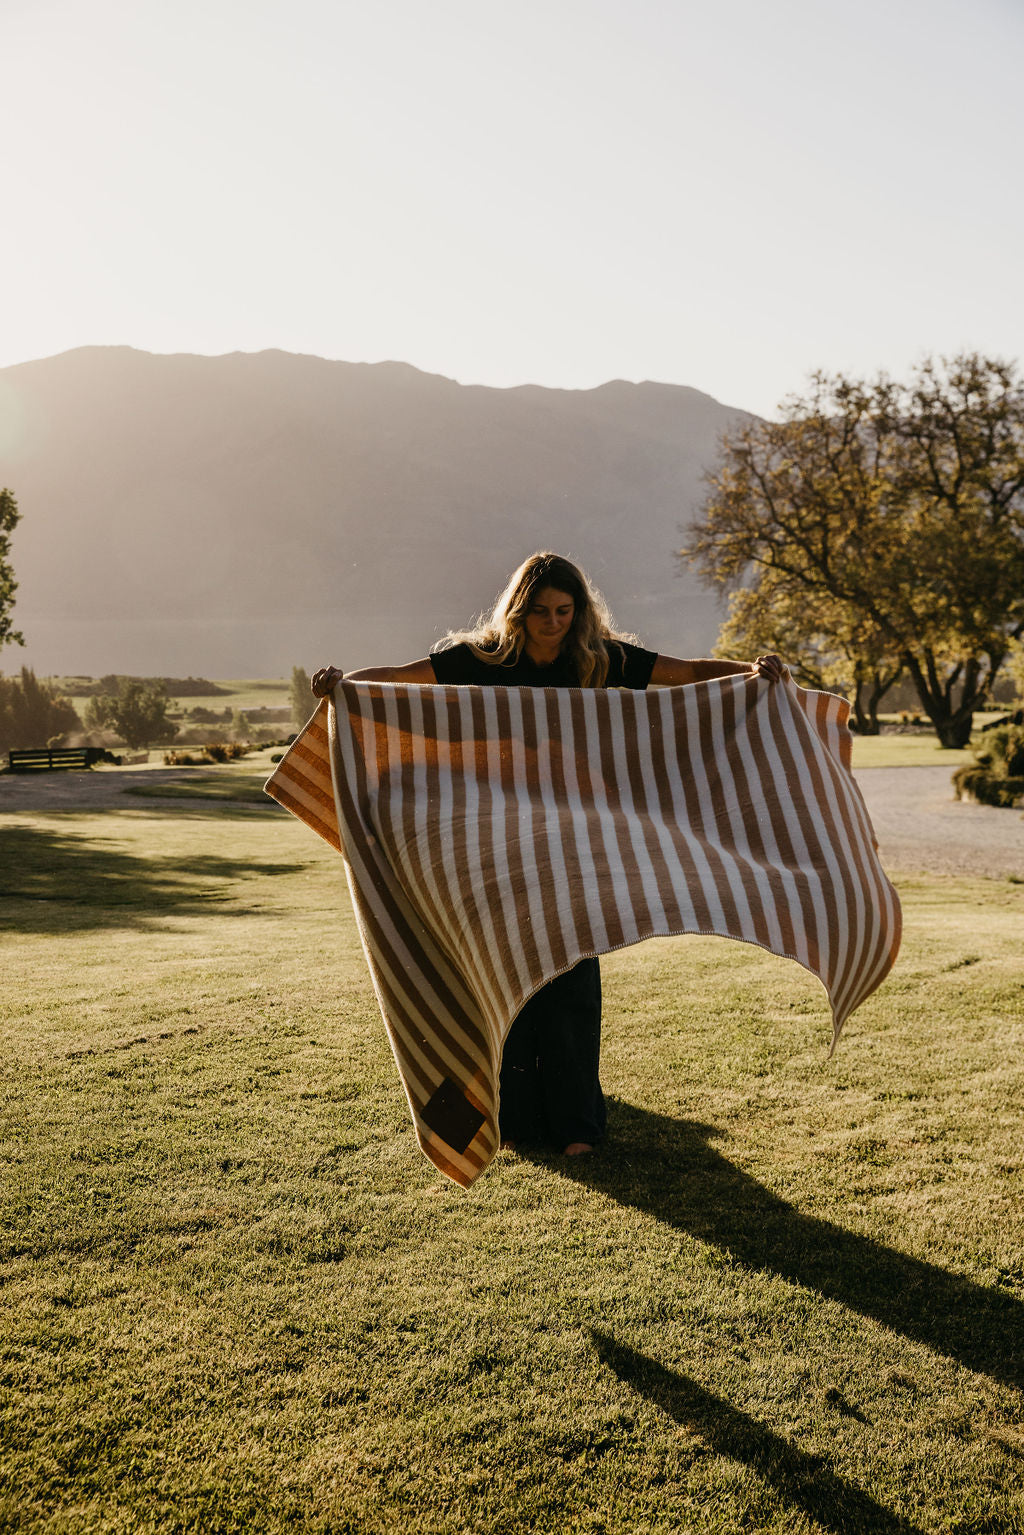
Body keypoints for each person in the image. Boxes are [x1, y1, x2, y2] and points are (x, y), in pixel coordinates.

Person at [311, 551, 784, 1159]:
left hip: (576, 842)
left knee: (572, 978)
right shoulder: (482, 660)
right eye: (540, 612)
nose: (553, 623)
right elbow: (404, 680)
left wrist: (753, 670)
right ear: (519, 609)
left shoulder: (600, 661)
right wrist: (343, 685)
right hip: (495, 838)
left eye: (564, 611)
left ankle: (578, 1126)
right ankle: (519, 1123)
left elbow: (686, 671)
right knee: (509, 974)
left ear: (579, 612)